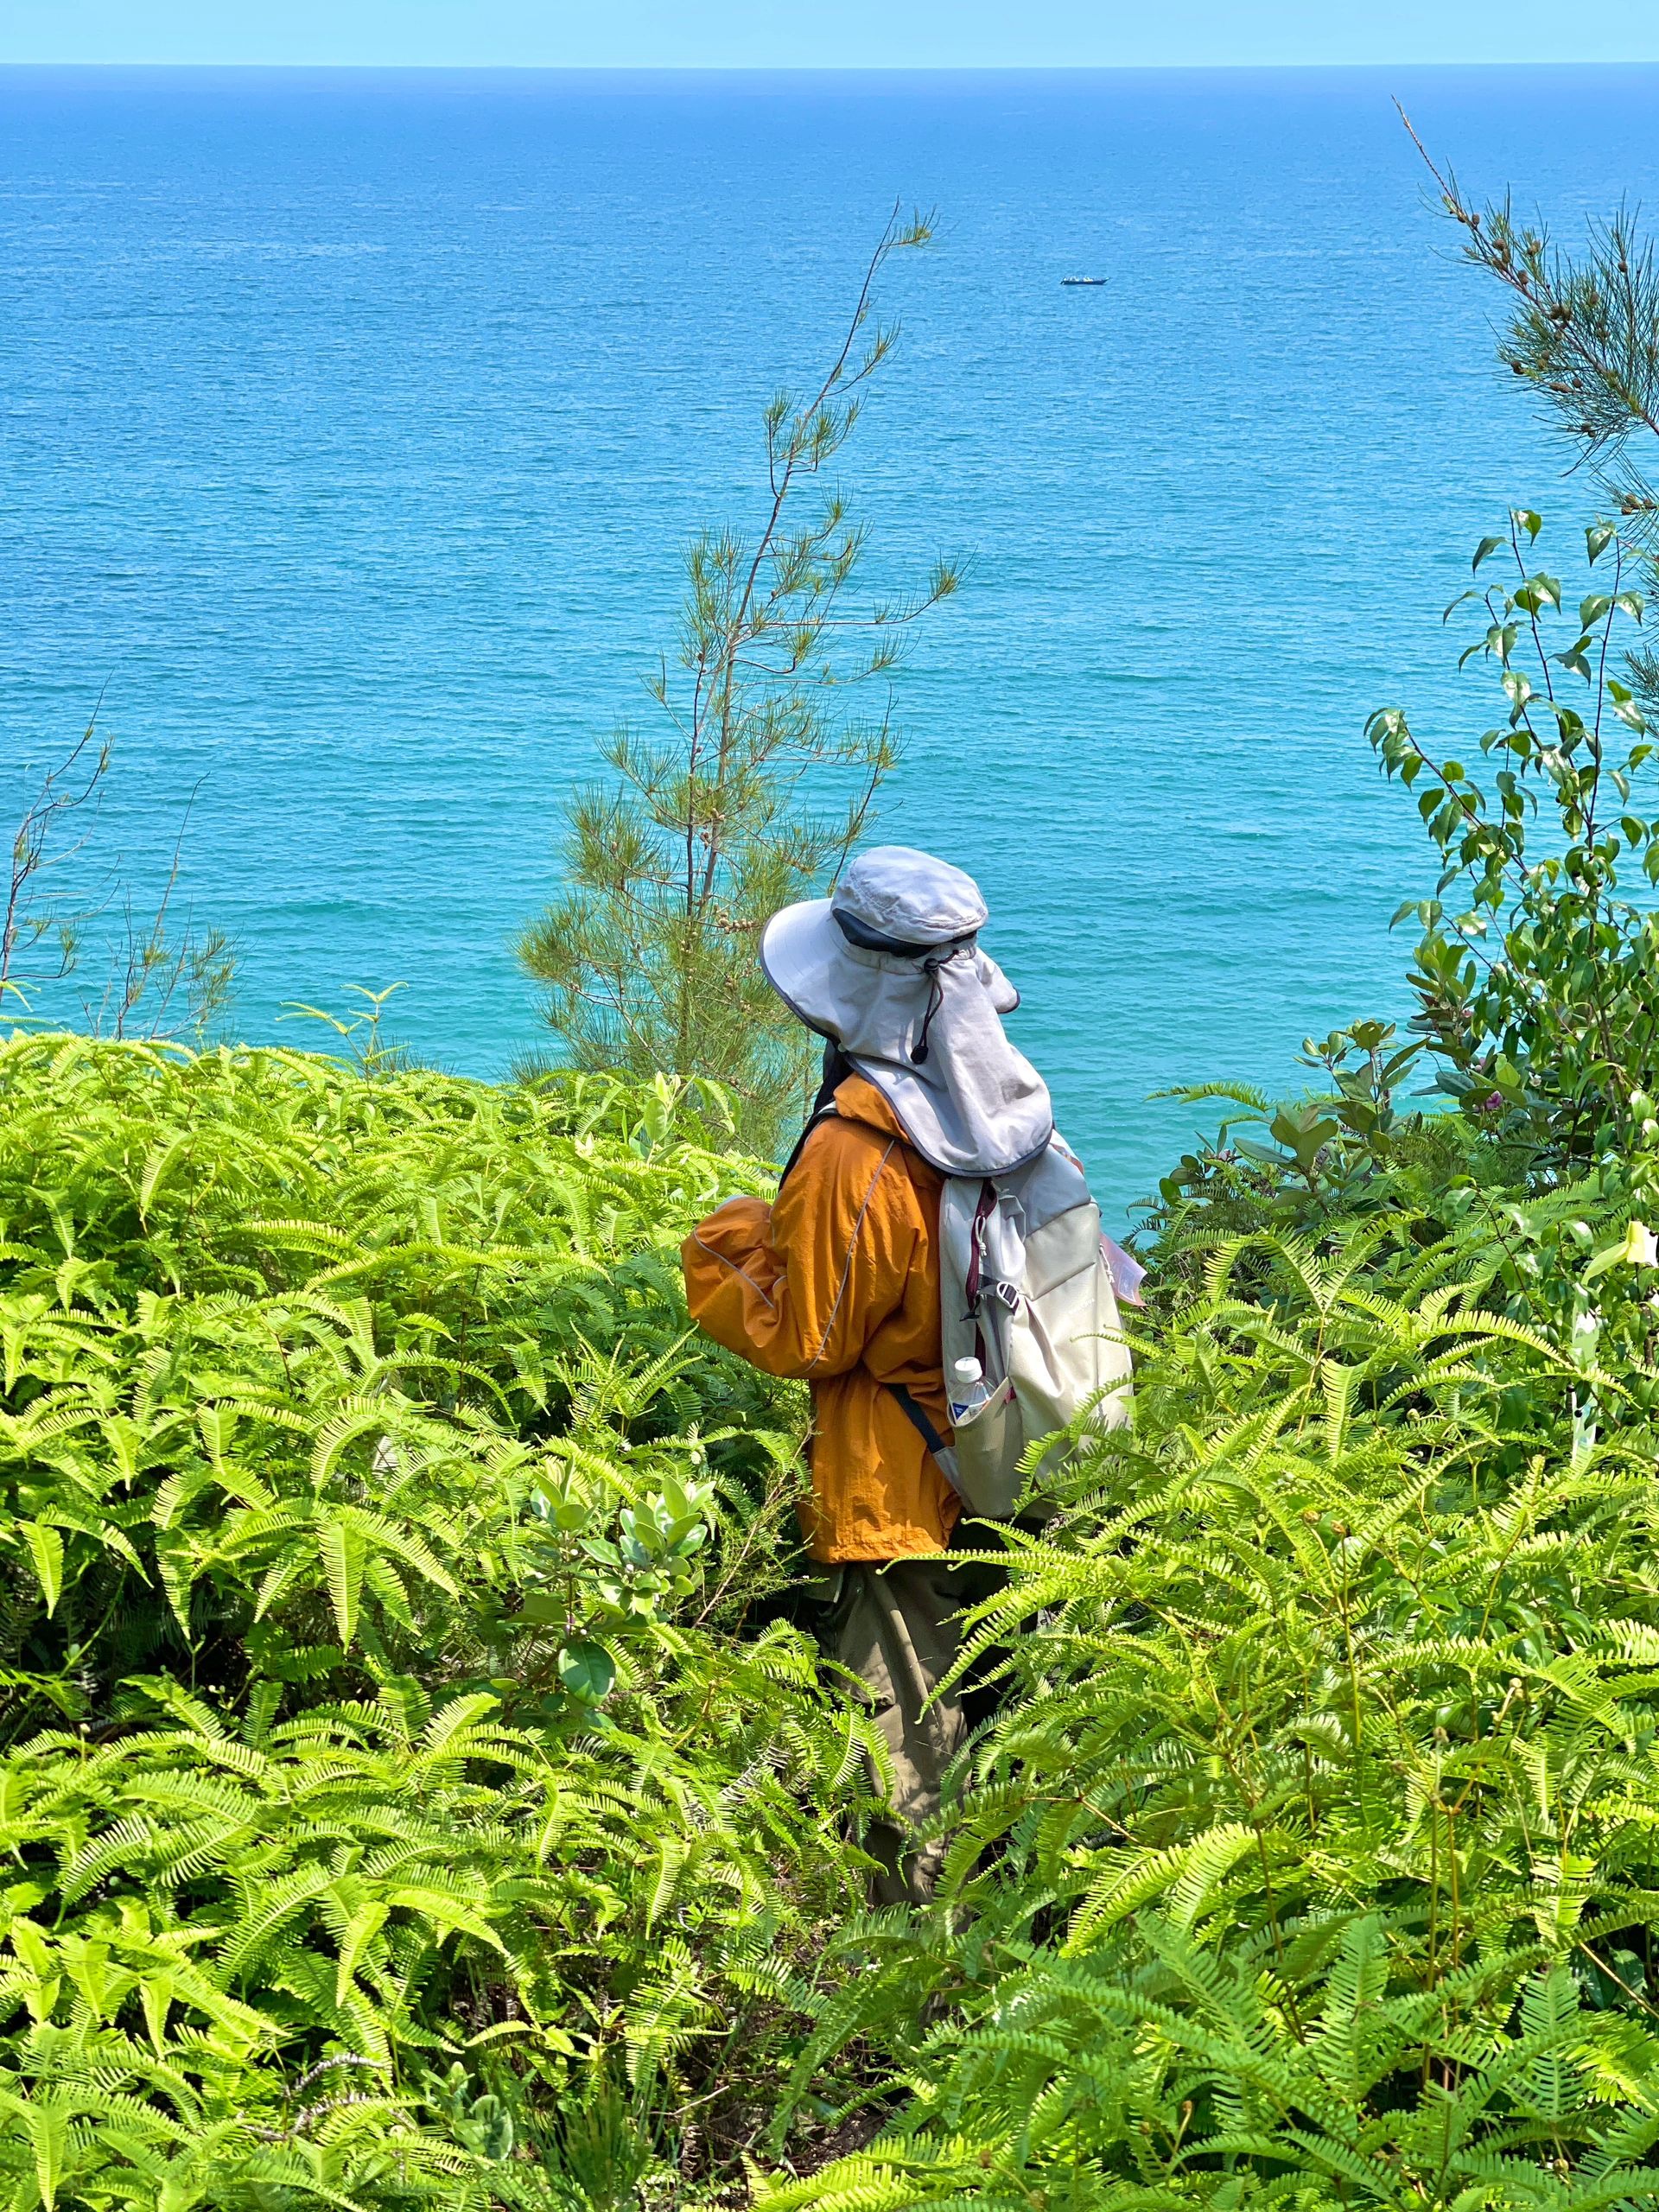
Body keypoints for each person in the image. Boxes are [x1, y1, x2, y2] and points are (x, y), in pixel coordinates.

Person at [679, 845, 1062, 1904]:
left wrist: (725, 1243)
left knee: (907, 1756)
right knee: (1008, 1715)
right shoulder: (1006, 1105)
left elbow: (812, 1337)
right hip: (1016, 1448)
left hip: (902, 1486)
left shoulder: (858, 1145)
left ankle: (912, 1985)